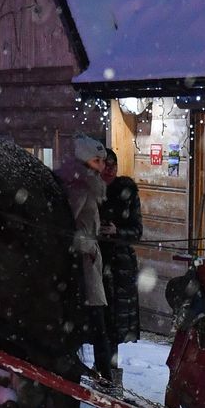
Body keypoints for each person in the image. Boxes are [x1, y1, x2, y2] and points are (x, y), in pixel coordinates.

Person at [54, 134, 112, 376]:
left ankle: (103, 374)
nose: (103, 166)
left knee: (96, 323)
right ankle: (104, 377)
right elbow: (66, 226)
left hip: (87, 260)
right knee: (97, 324)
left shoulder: (84, 184)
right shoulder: (80, 186)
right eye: (98, 160)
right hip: (83, 263)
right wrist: (86, 244)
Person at [100, 150, 142, 381]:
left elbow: (137, 231)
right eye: (105, 165)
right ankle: (98, 381)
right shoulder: (87, 191)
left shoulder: (126, 193)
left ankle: (111, 385)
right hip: (93, 265)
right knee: (97, 327)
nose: (109, 170)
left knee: (113, 332)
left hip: (119, 268)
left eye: (113, 165)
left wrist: (117, 232)